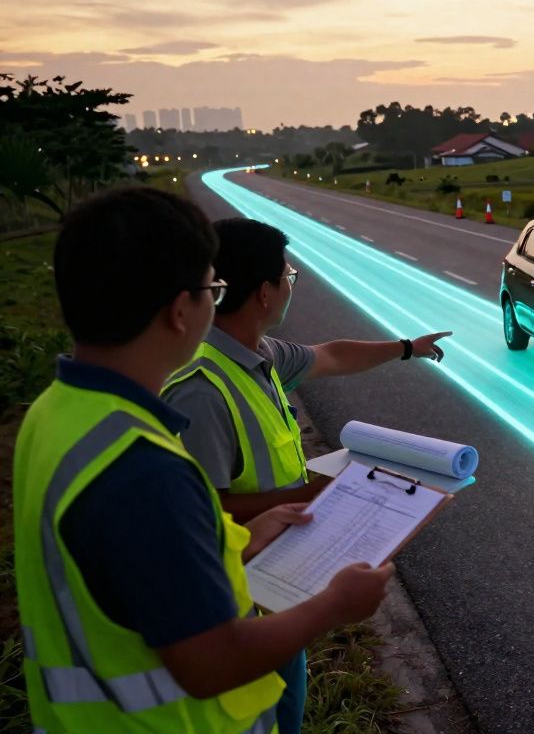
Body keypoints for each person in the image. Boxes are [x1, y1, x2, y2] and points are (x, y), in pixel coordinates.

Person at [14, 187, 392, 734]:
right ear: (179, 310)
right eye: (213, 289)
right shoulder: (143, 466)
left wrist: (239, 536)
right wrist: (335, 605)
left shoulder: (57, 413)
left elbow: (126, 568)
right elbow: (211, 661)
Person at [162, 217, 449, 733]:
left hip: (279, 585)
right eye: (289, 274)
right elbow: (195, 512)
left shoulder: (259, 355)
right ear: (266, 293)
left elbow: (333, 354)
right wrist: (315, 492)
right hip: (238, 604)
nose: (293, 282)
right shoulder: (202, 390)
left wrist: (409, 347)